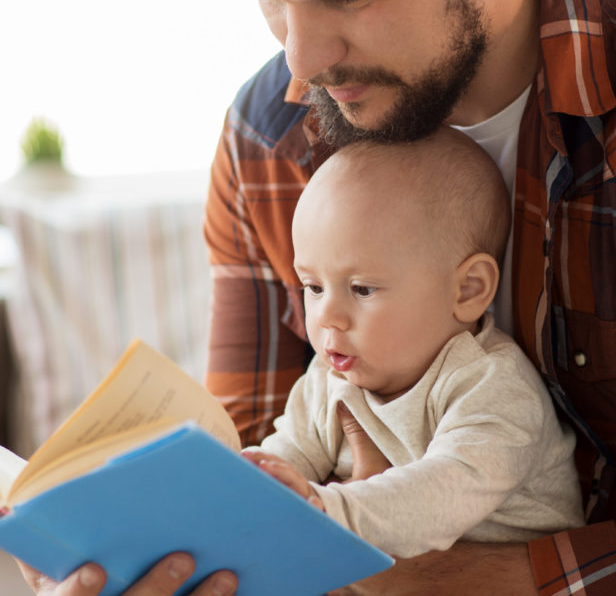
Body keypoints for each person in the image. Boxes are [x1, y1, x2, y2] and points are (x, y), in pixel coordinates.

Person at [22, 0, 616, 593]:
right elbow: (263, 463)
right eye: (269, 0)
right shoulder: (269, 137)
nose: (299, 63)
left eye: (347, 0)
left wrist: (427, 576)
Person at [242, 127, 583, 558]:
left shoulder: (492, 386)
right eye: (312, 286)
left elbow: (438, 496)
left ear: (468, 290)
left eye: (362, 289)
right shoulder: (330, 375)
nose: (327, 315)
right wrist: (250, 482)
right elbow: (287, 454)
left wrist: (323, 507)